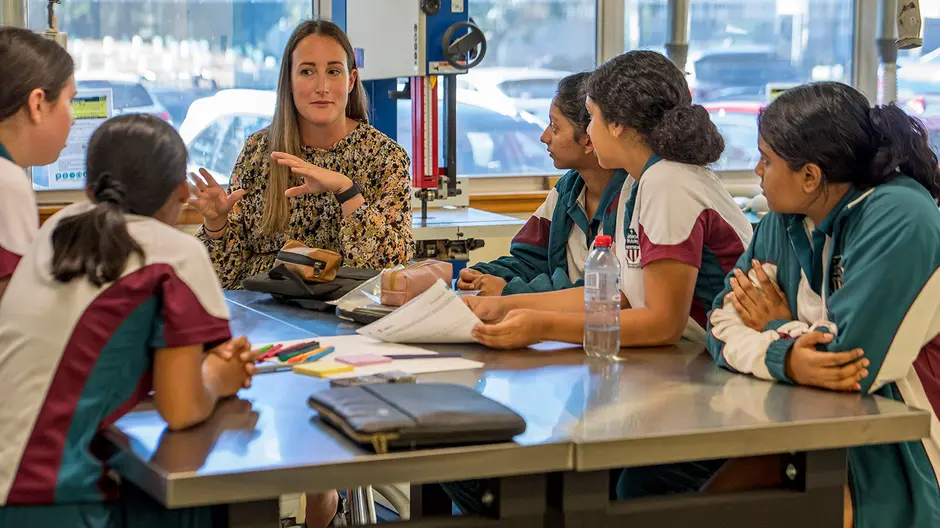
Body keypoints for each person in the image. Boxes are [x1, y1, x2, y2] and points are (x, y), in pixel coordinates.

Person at [0, 114, 259, 526]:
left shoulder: (57, 230)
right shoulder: (175, 254)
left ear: (89, 189)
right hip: (53, 497)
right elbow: (181, 407)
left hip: (12, 485)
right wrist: (217, 375)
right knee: (196, 511)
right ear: (182, 192)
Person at [706, 82, 940, 528]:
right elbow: (722, 318)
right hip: (820, 430)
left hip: (910, 441)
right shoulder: (784, 216)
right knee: (707, 504)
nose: (757, 171)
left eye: (767, 159)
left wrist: (777, 326)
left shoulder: (900, 215)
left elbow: (852, 366)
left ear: (810, 176)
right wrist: (791, 357)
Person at [465, 51, 752, 351]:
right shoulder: (635, 184)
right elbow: (619, 295)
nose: (588, 131)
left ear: (616, 124)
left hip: (724, 357)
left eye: (591, 117)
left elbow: (663, 323)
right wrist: (505, 305)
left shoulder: (668, 180)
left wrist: (544, 326)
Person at [189, 20, 414, 290]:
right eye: (307, 71)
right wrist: (216, 223)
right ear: (290, 81)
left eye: (333, 71)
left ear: (351, 80)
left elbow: (391, 267)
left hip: (347, 314)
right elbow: (222, 278)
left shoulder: (385, 157)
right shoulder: (259, 150)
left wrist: (346, 191)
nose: (322, 86)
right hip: (265, 314)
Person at [456, 72, 628, 297]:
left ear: (588, 139)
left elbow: (608, 293)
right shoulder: (568, 188)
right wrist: (482, 274)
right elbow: (529, 261)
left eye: (555, 127)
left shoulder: (632, 196)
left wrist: (512, 291)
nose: (544, 136)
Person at [0, 26, 75, 302]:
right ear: (38, 104)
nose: (73, 119)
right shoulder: (7, 182)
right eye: (70, 101)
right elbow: (19, 308)